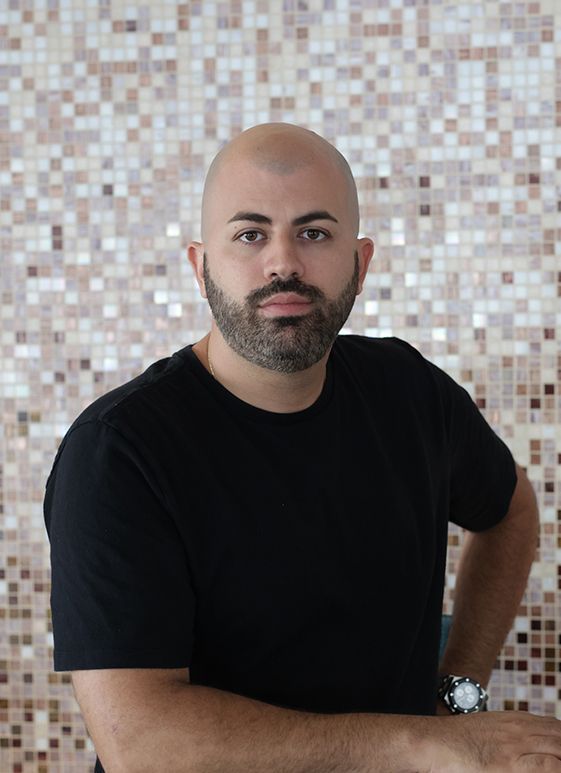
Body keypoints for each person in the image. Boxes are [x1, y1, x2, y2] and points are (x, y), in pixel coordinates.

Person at [44, 123, 561, 772]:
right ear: (200, 267)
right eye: (249, 234)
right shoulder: (118, 453)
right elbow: (141, 743)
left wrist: (455, 696)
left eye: (313, 232)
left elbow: (510, 513)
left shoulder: (410, 393)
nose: (283, 262)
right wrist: (424, 743)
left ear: (359, 262)